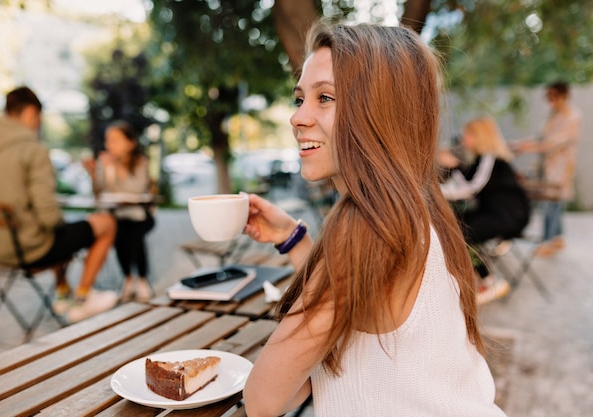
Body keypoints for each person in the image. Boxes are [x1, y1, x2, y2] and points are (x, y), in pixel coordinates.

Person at [241, 21, 506, 417]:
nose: (298, 118)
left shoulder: (365, 226)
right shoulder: (415, 205)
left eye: (325, 97)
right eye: (300, 100)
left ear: (380, 111)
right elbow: (352, 298)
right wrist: (292, 238)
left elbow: (264, 400)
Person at [0, 86, 118, 323]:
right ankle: (82, 299)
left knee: (61, 231)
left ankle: (61, 294)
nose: (38, 124)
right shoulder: (33, 150)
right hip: (28, 249)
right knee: (105, 223)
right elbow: (49, 217)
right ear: (29, 112)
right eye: (38, 117)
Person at [439, 117, 531, 305]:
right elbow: (469, 183)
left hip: (508, 216)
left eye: (467, 134)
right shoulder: (483, 160)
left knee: (460, 232)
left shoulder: (490, 158)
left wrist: (437, 191)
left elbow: (471, 188)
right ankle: (471, 278)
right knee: (453, 225)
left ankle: (489, 281)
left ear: (479, 136)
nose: (463, 138)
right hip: (496, 213)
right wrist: (454, 167)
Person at [84, 120, 155, 302]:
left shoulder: (140, 161)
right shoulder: (104, 162)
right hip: (116, 214)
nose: (110, 144)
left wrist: (116, 167)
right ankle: (129, 278)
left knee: (134, 233)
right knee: (118, 233)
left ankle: (142, 279)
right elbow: (99, 192)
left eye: (115, 140)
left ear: (130, 143)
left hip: (140, 214)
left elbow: (137, 189)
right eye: (108, 140)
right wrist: (93, 174)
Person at [513, 81, 581, 257]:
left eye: (552, 96)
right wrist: (522, 143)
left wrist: (524, 147)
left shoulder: (572, 117)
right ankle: (557, 238)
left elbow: (549, 144)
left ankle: (548, 241)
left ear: (563, 95)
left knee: (551, 203)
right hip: (550, 166)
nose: (549, 100)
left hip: (561, 168)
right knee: (554, 202)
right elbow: (541, 137)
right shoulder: (555, 114)